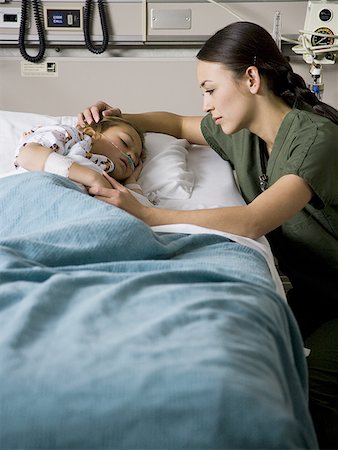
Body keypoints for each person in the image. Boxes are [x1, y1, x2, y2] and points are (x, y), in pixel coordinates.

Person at [78, 21, 338, 448]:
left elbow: (255, 219)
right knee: (255, 379)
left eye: (211, 89)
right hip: (315, 298)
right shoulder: (244, 135)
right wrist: (116, 118)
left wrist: (147, 214)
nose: (205, 103)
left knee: (299, 396)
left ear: (251, 79)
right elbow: (177, 124)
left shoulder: (316, 139)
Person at [15, 116, 145, 195]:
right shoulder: (72, 137)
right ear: (92, 133)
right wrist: (94, 178)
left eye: (136, 159)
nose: (131, 156)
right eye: (125, 142)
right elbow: (27, 155)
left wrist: (131, 182)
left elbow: (140, 213)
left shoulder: (114, 185)